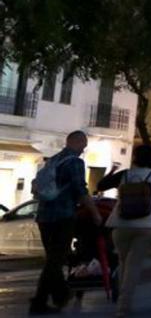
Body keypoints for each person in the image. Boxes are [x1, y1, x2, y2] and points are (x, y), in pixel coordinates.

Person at [30, 130, 103, 315]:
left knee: (53, 259)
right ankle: (42, 301)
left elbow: (36, 185)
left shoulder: (52, 160)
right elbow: (80, 189)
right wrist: (95, 213)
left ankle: (58, 295)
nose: (84, 149)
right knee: (55, 260)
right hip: (63, 216)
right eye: (83, 144)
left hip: (44, 216)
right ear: (76, 142)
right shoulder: (75, 162)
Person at [99, 144, 151, 318]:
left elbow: (101, 185)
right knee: (133, 267)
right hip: (147, 225)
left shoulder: (125, 174)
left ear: (135, 158)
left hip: (121, 224)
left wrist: (112, 172)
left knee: (123, 263)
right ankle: (123, 307)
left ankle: (121, 301)